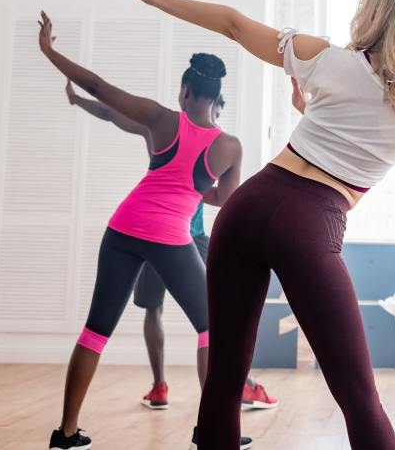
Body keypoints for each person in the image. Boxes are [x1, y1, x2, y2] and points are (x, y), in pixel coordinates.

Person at [135, 0, 395, 450]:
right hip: (312, 222)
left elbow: (234, 24)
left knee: (225, 380)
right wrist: (315, 111)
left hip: (250, 205)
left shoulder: (326, 60)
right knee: (358, 395)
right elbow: (359, 157)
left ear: (370, 13)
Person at [37, 13, 252, 450]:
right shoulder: (228, 146)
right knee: (212, 328)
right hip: (172, 237)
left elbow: (102, 89)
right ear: (216, 97)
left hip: (123, 227)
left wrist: (49, 51)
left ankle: (66, 433)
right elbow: (224, 200)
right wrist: (194, 190)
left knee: (96, 330)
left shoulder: (160, 119)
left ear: (185, 90)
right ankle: (213, 432)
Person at [64, 82, 277, 413]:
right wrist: (78, 100)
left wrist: (193, 186)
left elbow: (218, 196)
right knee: (162, 310)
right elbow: (111, 113)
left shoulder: (215, 146)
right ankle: (160, 386)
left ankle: (240, 388)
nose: (213, 117)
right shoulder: (166, 131)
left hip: (191, 239)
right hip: (158, 234)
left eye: (218, 112)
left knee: (212, 322)